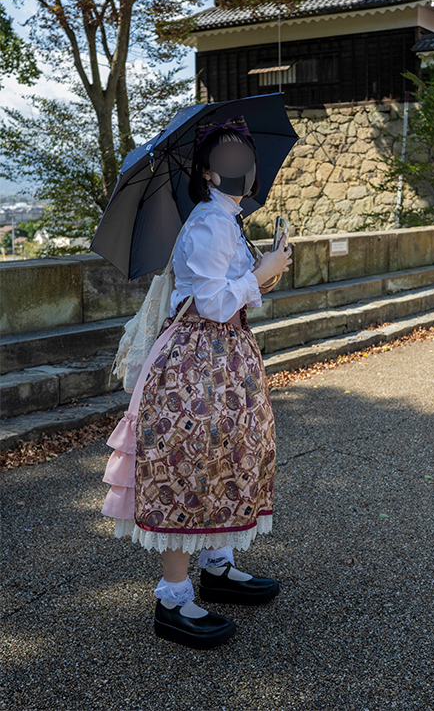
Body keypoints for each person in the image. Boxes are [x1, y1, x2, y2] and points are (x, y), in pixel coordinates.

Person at [101, 116, 292, 650]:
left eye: (244, 158)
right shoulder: (210, 222)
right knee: (190, 464)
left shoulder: (228, 220)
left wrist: (266, 268)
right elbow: (210, 302)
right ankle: (173, 599)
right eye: (227, 159)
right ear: (208, 172)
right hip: (198, 363)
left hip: (226, 359)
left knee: (227, 457)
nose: (240, 167)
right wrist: (260, 274)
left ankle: (217, 566)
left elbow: (233, 293)